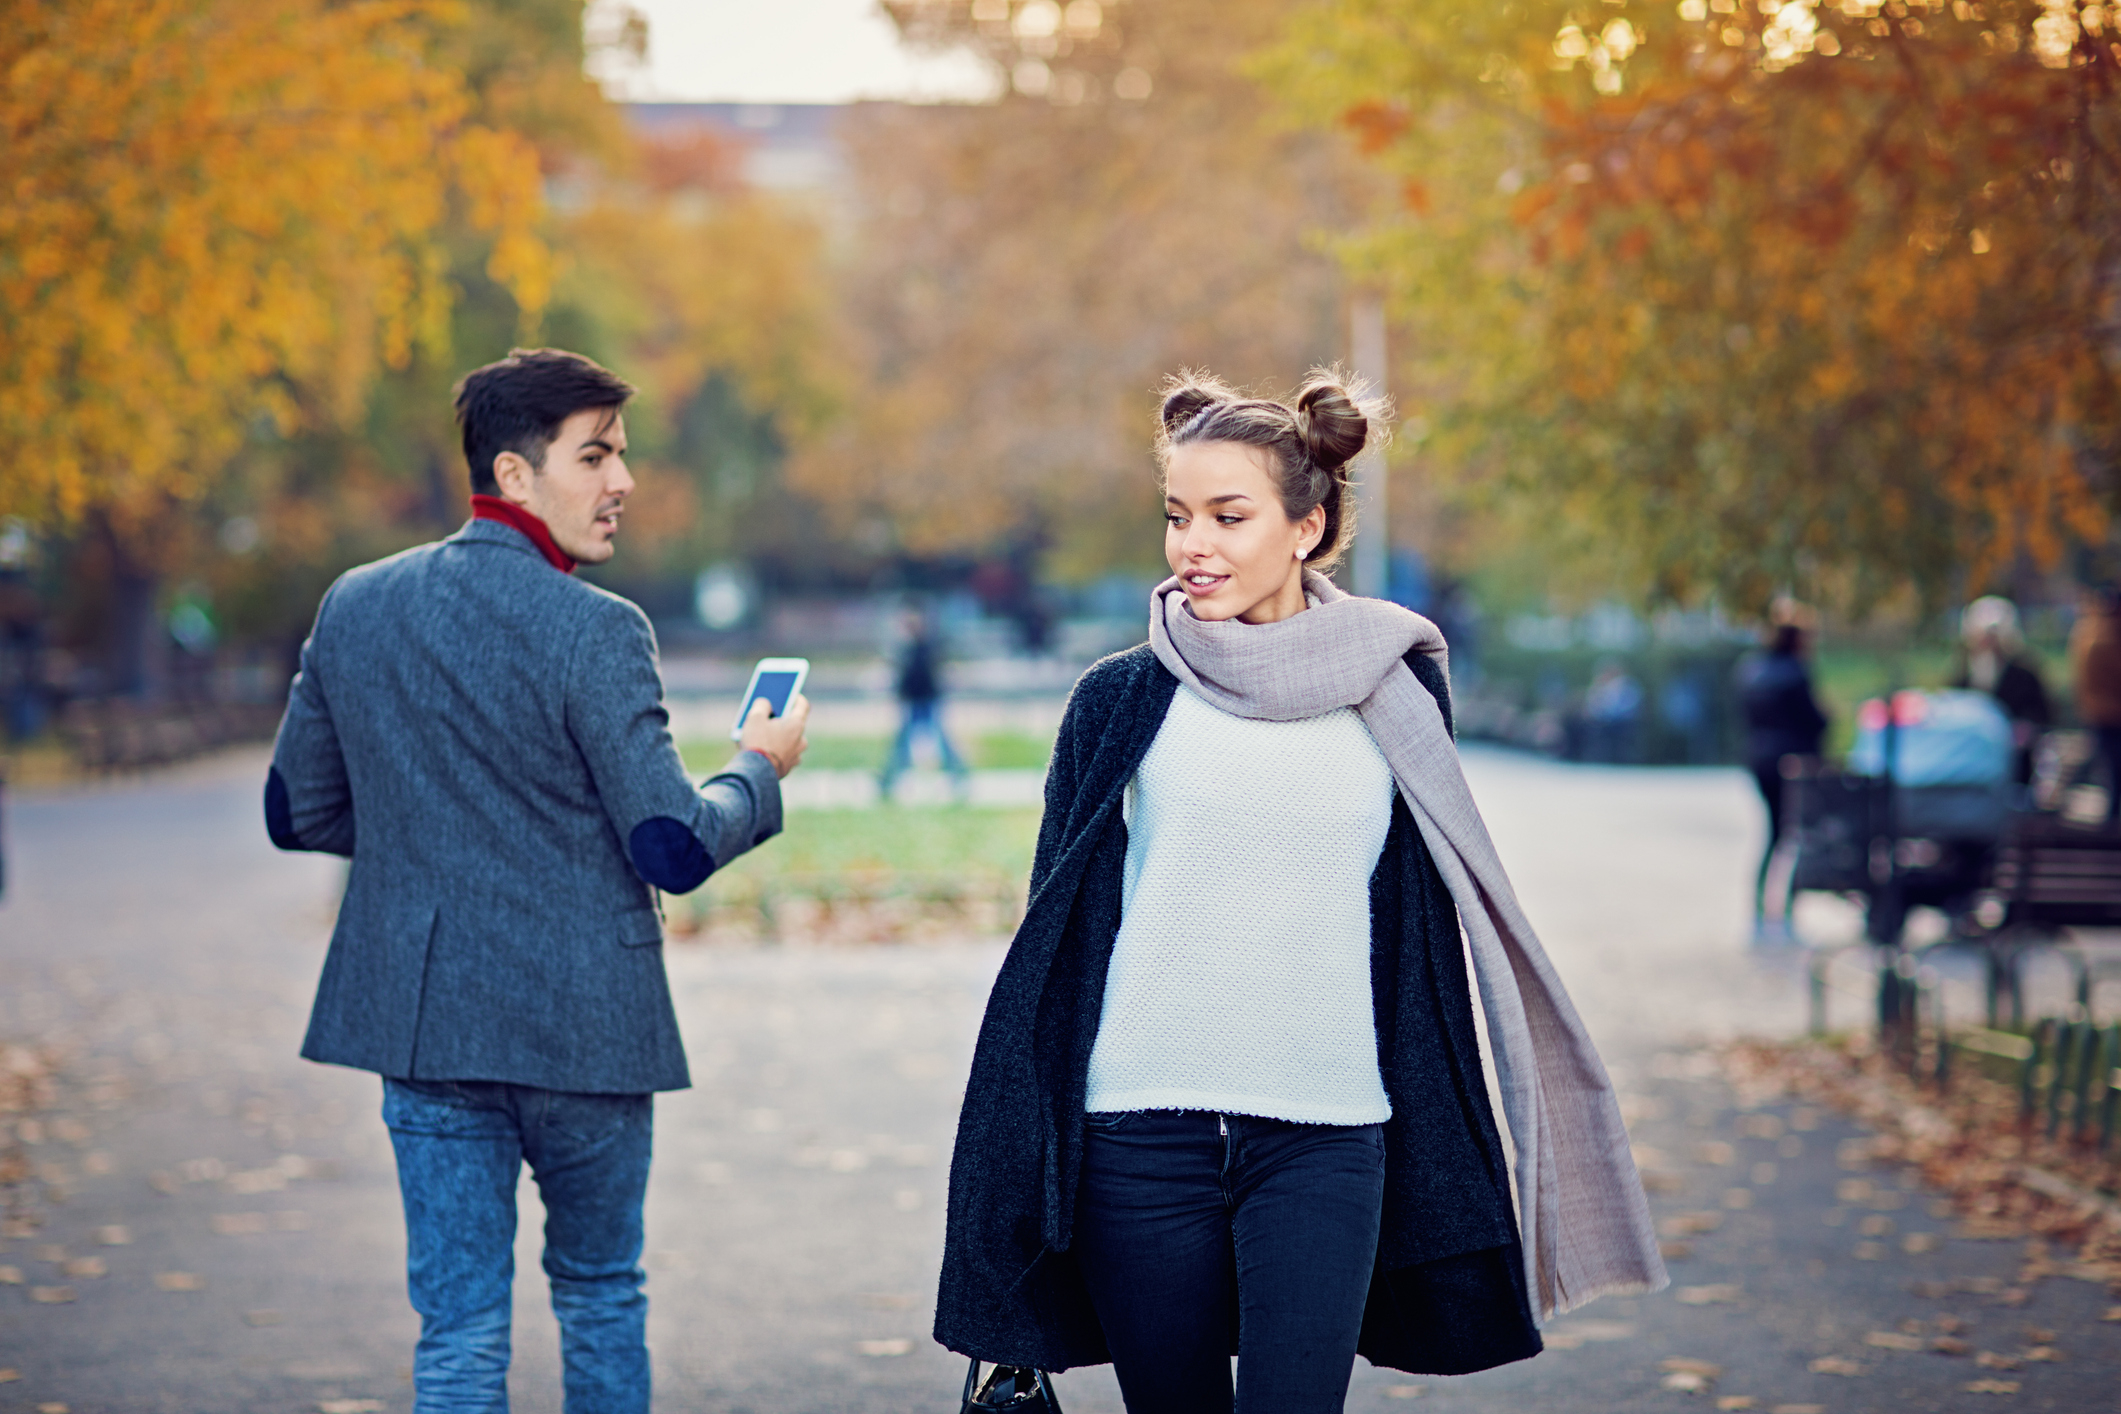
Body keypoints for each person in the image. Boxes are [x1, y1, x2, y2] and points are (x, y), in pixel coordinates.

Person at [934, 370, 1663, 1414]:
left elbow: (1415, 936)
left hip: (1326, 1133)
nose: (1195, 544)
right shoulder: (1123, 700)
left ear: (1308, 528)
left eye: (1231, 516)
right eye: (1179, 516)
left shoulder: (1393, 694)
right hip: (1140, 1130)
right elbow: (1055, 944)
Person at [265, 348, 810, 1414]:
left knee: (458, 1329)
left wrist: (436, 836)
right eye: (597, 455)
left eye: (623, 454)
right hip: (585, 1028)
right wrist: (760, 767)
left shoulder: (359, 603)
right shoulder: (600, 630)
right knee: (601, 1295)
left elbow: (300, 812)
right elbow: (672, 846)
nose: (625, 482)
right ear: (514, 476)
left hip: (424, 1023)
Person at [1737, 605, 1829, 941]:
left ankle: (1760, 906)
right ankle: (1788, 908)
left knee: (1773, 833)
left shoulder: (1751, 669)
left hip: (1759, 761)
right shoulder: (1795, 671)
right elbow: (1814, 719)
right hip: (1791, 764)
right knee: (1791, 834)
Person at [1952, 595, 2051, 784]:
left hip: (2015, 763)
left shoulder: (2025, 674)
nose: (1988, 642)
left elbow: (2041, 711)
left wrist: (2026, 727)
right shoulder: (1965, 671)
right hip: (1975, 763)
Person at [879, 607, 968, 802]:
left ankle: (959, 775)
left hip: (927, 700)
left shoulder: (929, 647)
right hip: (913, 701)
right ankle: (888, 779)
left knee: (941, 741)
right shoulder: (906, 649)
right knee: (902, 744)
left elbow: (935, 673)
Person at [2069, 586, 2121, 825]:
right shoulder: (2106, 635)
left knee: (2110, 766)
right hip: (2108, 712)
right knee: (2113, 767)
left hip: (2097, 711)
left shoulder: (2087, 631)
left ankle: (2112, 813)